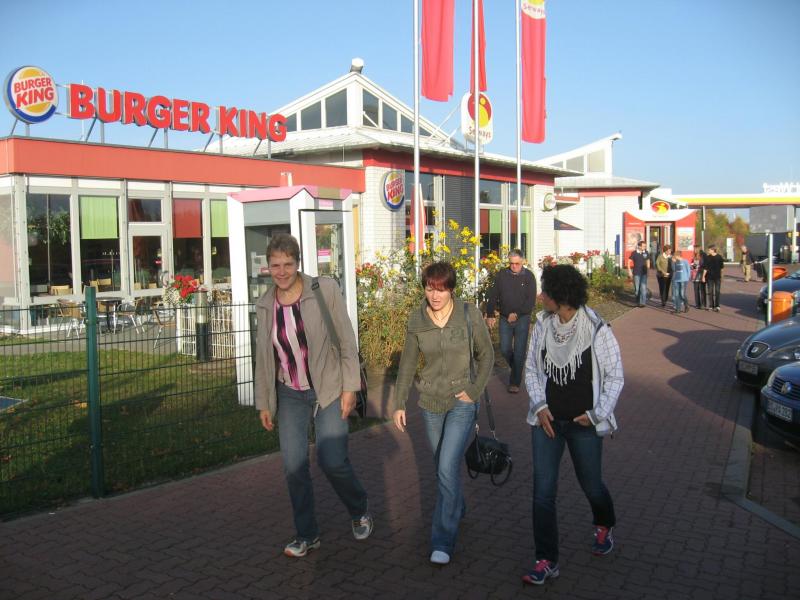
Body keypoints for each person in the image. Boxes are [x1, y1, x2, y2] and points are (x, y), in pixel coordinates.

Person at [254, 233, 372, 558]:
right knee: (293, 467)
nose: (281, 271)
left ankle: (359, 508)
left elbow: (346, 341)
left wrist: (350, 388)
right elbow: (264, 357)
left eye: (287, 264)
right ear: (268, 267)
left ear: (298, 263)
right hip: (290, 393)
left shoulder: (323, 290)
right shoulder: (264, 305)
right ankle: (307, 534)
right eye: (275, 265)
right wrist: (264, 402)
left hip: (329, 387)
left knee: (332, 460)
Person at [521, 264, 624, 586]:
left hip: (584, 424)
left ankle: (604, 522)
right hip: (548, 423)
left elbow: (615, 376)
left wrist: (597, 414)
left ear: (561, 296)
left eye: (546, 291)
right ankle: (546, 560)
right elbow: (531, 369)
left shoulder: (596, 329)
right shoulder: (543, 326)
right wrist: (539, 407)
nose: (540, 297)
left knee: (591, 485)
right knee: (542, 493)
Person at [392, 261, 493, 566]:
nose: (435, 295)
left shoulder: (468, 314)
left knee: (447, 466)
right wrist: (399, 402)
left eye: (441, 289)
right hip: (430, 403)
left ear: (451, 289)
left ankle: (442, 540)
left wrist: (474, 390)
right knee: (441, 466)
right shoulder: (417, 319)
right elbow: (408, 364)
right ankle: (456, 506)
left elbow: (486, 355)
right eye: (429, 288)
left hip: (462, 400)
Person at [485, 249, 537, 393]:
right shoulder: (502, 275)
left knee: (519, 351)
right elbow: (493, 294)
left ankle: (515, 382)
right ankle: (517, 369)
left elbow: (531, 301)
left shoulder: (529, 277)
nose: (514, 266)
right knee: (505, 349)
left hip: (522, 318)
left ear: (523, 262)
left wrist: (517, 314)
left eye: (517, 263)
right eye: (511, 263)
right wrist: (490, 314)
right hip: (504, 317)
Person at [627, 240, 650, 307]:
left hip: (644, 273)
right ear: (639, 246)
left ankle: (643, 302)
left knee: (643, 288)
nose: (644, 247)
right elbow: (629, 262)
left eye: (645, 246)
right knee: (637, 289)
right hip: (636, 273)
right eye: (643, 246)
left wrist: (648, 271)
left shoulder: (646, 252)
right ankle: (638, 301)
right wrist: (629, 271)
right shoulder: (634, 253)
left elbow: (648, 261)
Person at [703, 245, 725, 312]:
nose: (708, 251)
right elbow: (705, 268)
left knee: (717, 291)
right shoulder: (707, 257)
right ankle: (711, 306)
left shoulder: (719, 257)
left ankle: (717, 306)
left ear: (713, 250)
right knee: (710, 291)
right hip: (709, 277)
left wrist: (722, 276)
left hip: (717, 277)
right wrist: (703, 276)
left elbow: (722, 268)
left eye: (709, 250)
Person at [691, 245, 707, 309]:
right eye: (694, 249)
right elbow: (693, 264)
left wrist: (699, 268)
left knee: (702, 290)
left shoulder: (703, 255)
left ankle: (703, 304)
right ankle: (697, 304)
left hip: (701, 274)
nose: (694, 250)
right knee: (696, 290)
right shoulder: (694, 255)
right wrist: (692, 266)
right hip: (695, 275)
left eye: (695, 249)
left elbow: (705, 265)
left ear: (697, 249)